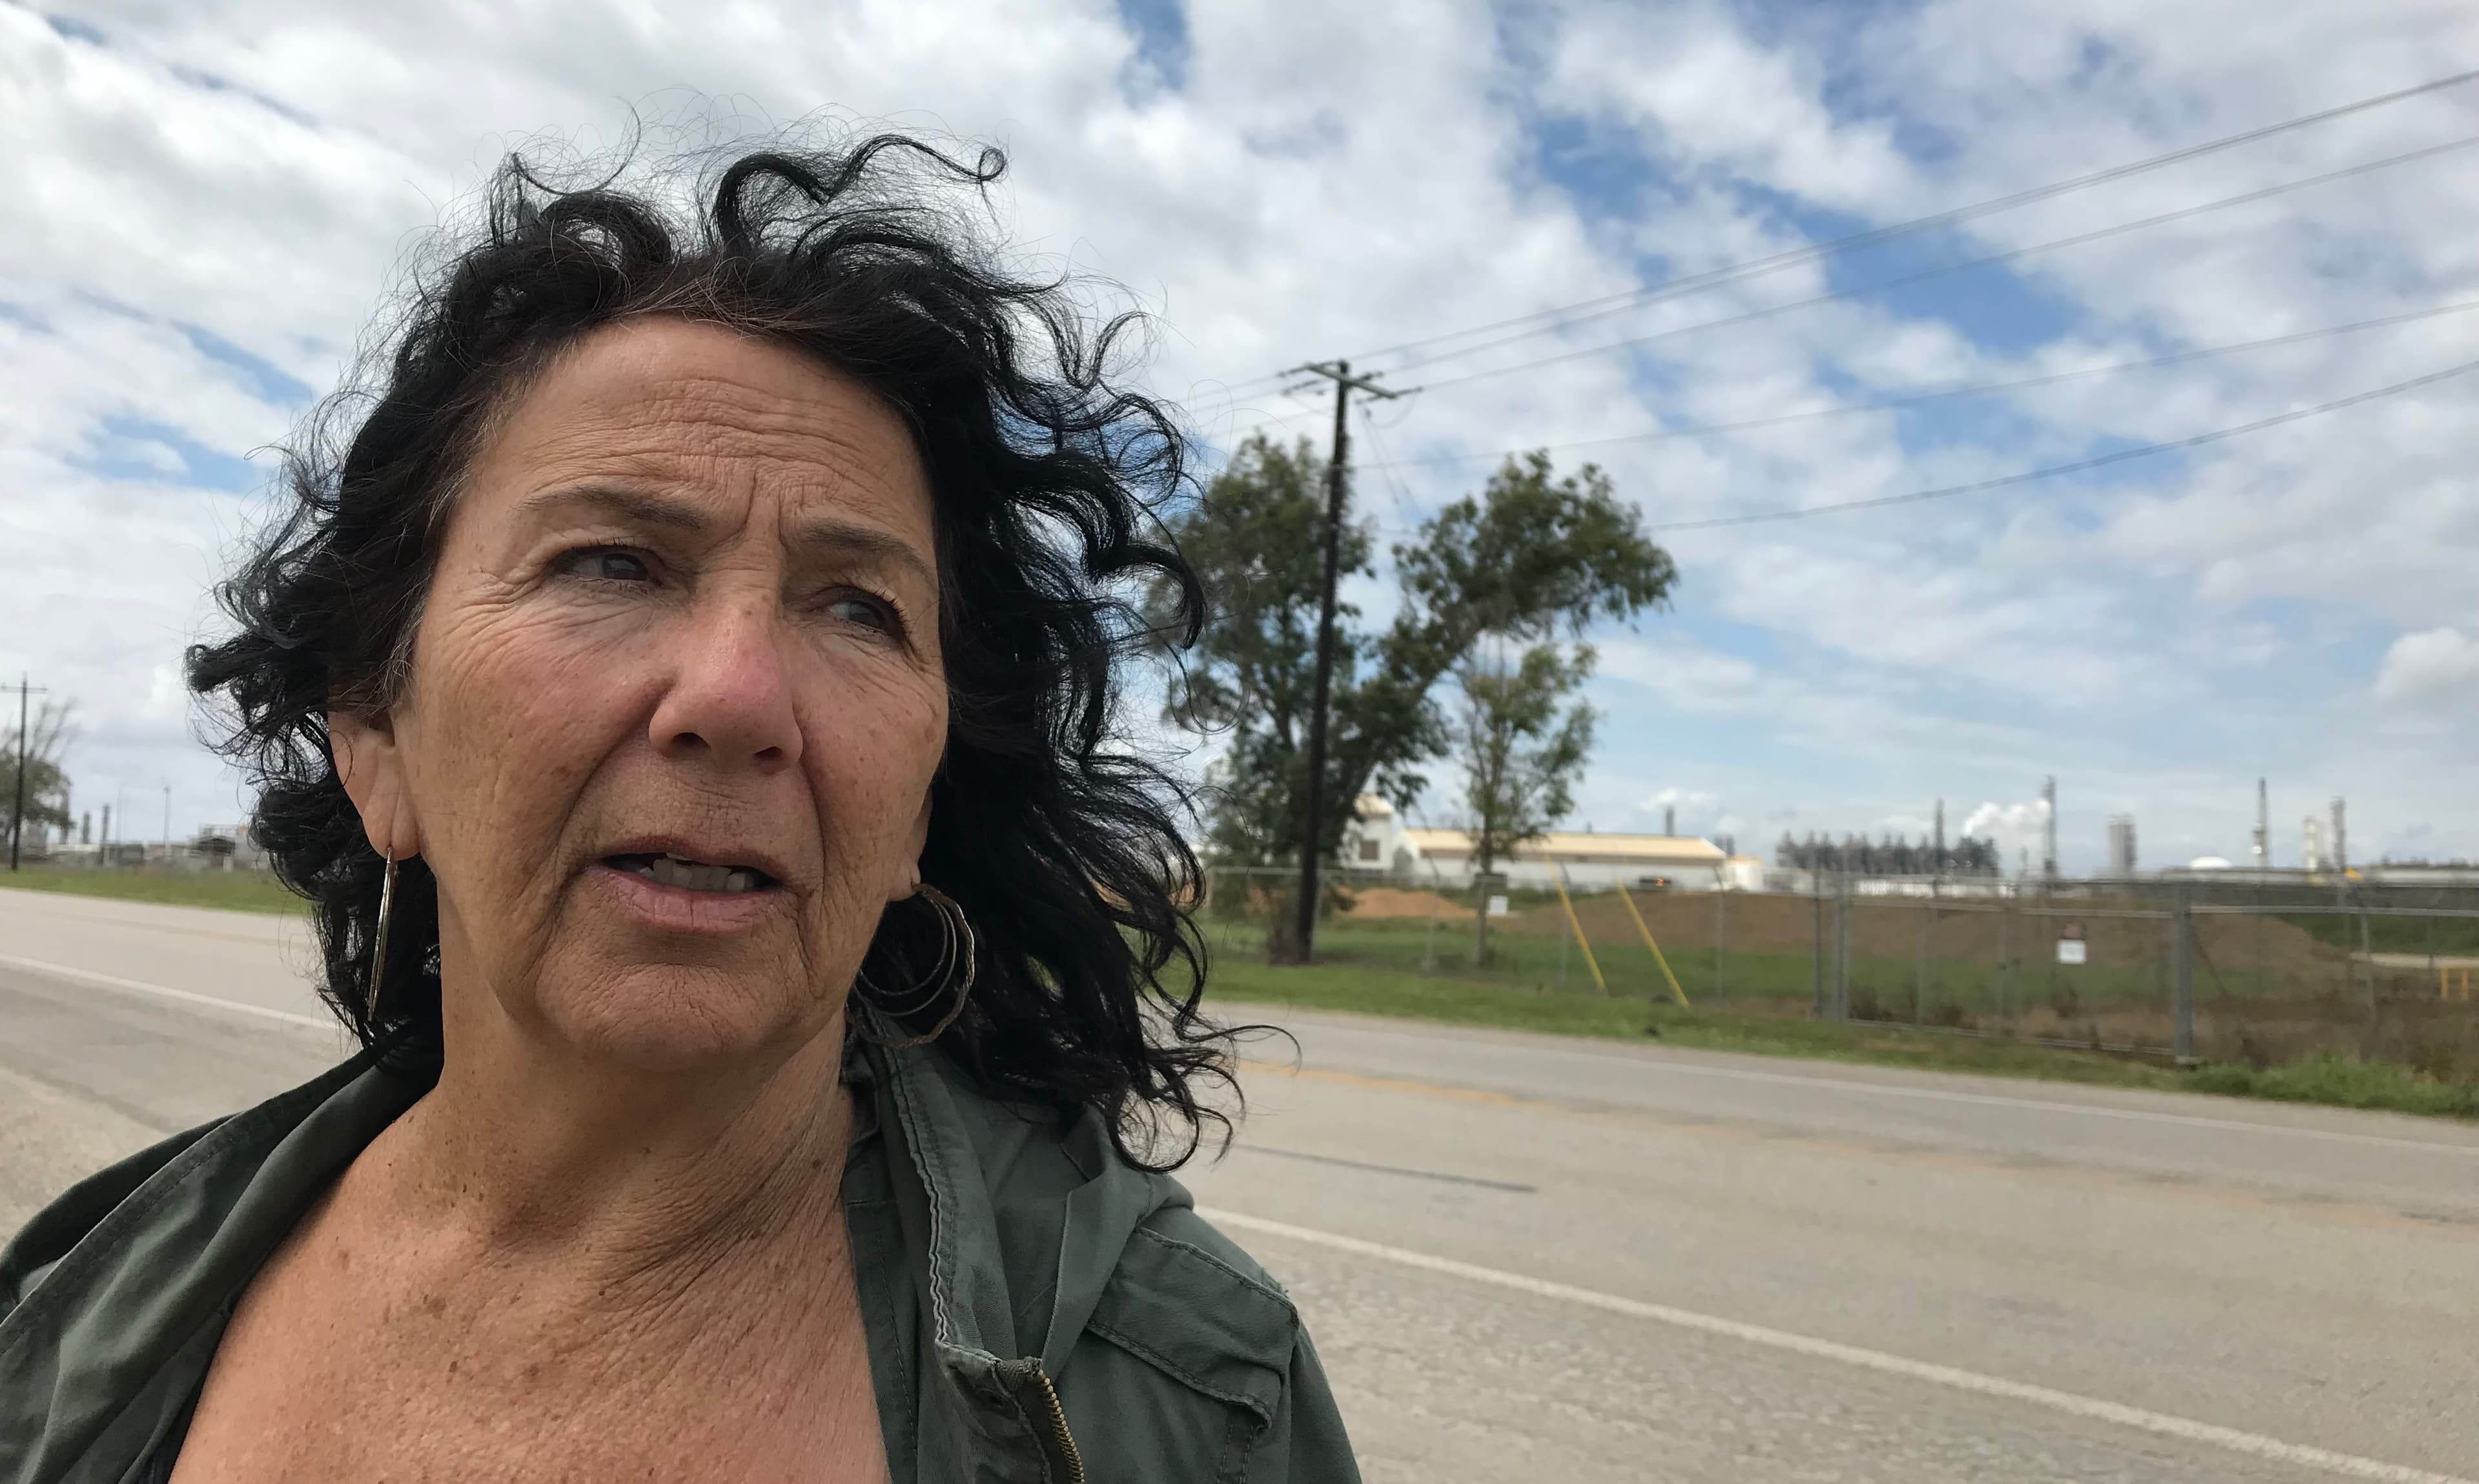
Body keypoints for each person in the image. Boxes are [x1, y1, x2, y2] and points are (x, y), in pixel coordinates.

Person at [0, 134, 1360, 1483]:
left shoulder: (1196, 1411)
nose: (739, 695)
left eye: (858, 607)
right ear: (374, 733)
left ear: (920, 807)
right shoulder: (65, 1332)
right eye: (611, 563)